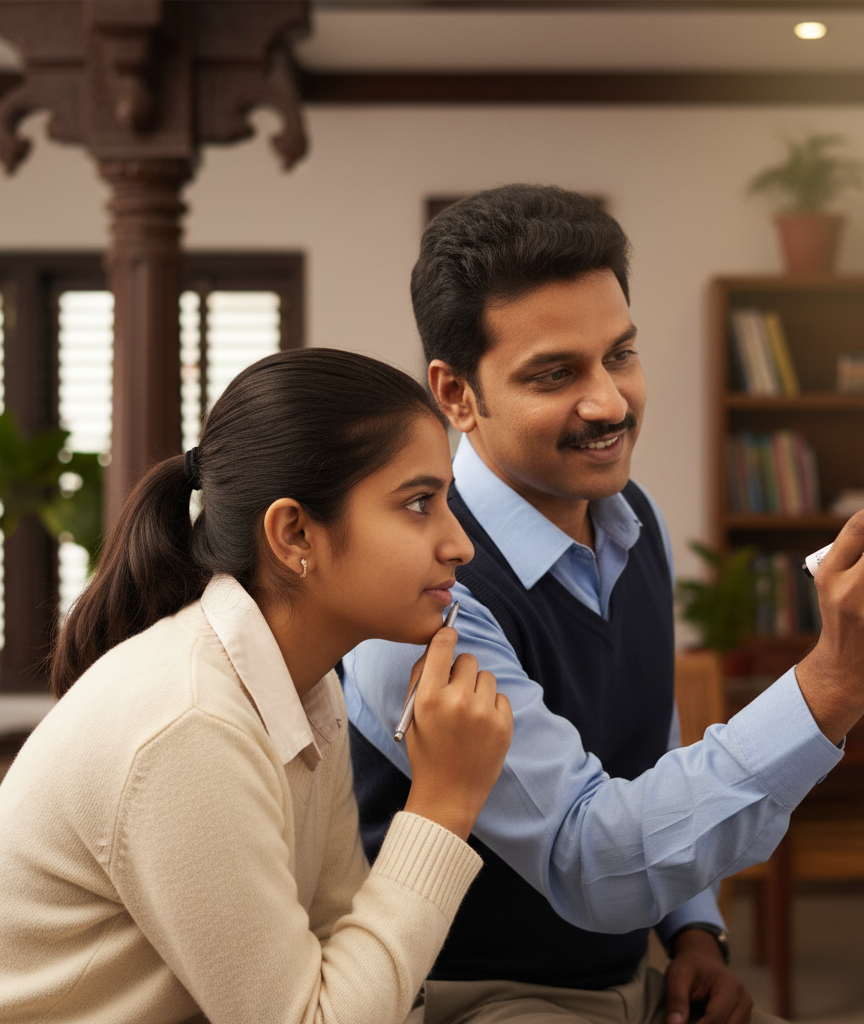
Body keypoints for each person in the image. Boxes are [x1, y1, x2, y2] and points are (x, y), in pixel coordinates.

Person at [341, 185, 864, 1024]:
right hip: (474, 996)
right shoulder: (425, 599)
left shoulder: (636, 521)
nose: (610, 403)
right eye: (555, 374)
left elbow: (646, 755)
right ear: (455, 395)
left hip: (633, 976)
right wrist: (835, 683)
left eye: (619, 355)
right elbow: (589, 858)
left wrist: (696, 931)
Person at [0, 348, 513, 1023]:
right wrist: (444, 801)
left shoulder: (304, 690)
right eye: (419, 503)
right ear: (294, 532)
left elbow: (343, 952)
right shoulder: (191, 725)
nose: (459, 544)